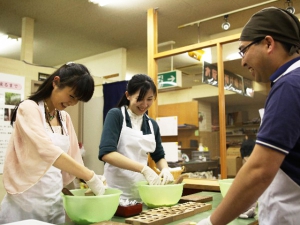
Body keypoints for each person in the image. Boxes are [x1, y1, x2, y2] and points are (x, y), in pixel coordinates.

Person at [197, 7, 300, 225]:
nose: (243, 61)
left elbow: (259, 171)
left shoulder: (289, 86)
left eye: (243, 51)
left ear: (269, 44)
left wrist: (210, 223)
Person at [0, 62, 106, 224]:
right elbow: (45, 150)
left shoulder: (64, 119)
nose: (72, 103)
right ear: (56, 82)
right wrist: (89, 175)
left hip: (53, 202)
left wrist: (89, 180)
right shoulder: (29, 108)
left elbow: (74, 159)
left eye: (78, 100)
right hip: (25, 202)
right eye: (71, 96)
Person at [99, 74, 174, 201]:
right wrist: (143, 169)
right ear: (128, 95)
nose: (144, 104)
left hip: (141, 194)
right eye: (139, 98)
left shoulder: (152, 124)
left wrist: (165, 169)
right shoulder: (116, 115)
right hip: (115, 193)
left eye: (149, 99)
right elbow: (107, 153)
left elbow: (158, 156)